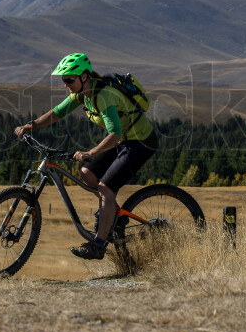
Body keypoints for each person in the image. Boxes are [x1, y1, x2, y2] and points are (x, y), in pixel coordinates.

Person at [14, 53, 158, 260]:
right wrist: (31, 126)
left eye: (69, 79)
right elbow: (57, 113)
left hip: (141, 142)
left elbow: (115, 133)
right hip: (123, 141)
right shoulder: (82, 94)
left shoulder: (104, 96)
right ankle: (113, 215)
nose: (66, 84)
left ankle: (98, 245)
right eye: (64, 80)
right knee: (87, 172)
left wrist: (91, 152)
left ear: (84, 76)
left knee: (104, 188)